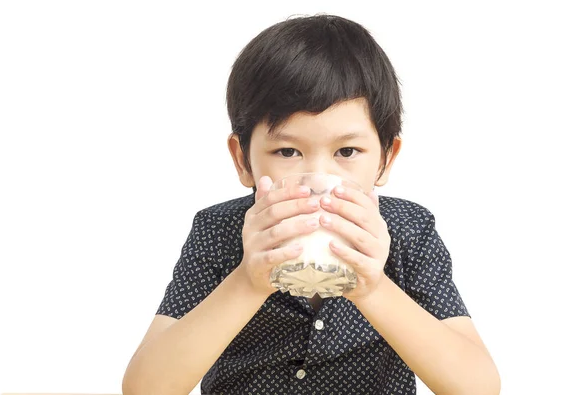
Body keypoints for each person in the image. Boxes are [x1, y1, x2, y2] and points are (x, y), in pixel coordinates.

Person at [123, 14, 500, 395]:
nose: (318, 179)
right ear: (243, 161)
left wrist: (373, 289)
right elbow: (146, 388)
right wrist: (247, 282)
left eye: (347, 151)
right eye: (288, 151)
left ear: (386, 159)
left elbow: (477, 386)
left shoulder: (408, 230)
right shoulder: (219, 231)